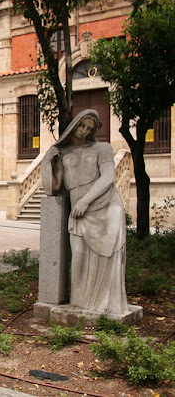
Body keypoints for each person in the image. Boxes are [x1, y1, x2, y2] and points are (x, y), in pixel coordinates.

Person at [41, 109, 130, 315]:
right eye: (82, 126)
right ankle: (80, 302)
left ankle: (104, 305)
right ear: (75, 125)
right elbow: (53, 189)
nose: (84, 131)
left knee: (106, 258)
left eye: (89, 128)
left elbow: (108, 176)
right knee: (78, 254)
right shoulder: (65, 153)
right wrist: (47, 163)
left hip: (105, 206)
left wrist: (85, 201)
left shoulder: (103, 148)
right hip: (79, 211)